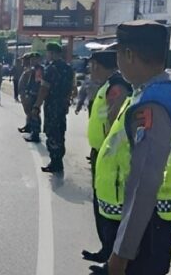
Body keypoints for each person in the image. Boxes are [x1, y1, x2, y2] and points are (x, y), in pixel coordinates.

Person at [91, 20, 171, 275]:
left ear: (129, 55)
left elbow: (145, 182)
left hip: (144, 232)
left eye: (119, 54)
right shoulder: (148, 93)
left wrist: (121, 255)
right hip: (143, 227)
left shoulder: (152, 104)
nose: (118, 62)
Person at [81, 47, 132, 265]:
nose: (90, 70)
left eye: (92, 66)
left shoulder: (116, 86)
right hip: (101, 154)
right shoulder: (107, 85)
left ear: (99, 66)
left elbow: (115, 119)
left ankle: (112, 260)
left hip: (111, 158)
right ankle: (105, 251)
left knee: (110, 209)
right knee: (100, 205)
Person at [31, 42, 74, 173]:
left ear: (52, 53)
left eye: (48, 53)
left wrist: (37, 106)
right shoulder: (68, 68)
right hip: (62, 104)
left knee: (52, 132)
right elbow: (71, 88)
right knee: (60, 132)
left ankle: (55, 162)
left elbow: (44, 89)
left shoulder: (51, 69)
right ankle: (58, 161)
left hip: (52, 105)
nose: (47, 55)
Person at [18, 53, 44, 142]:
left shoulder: (38, 70)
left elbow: (38, 84)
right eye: (31, 60)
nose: (32, 61)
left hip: (34, 95)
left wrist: (32, 94)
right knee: (30, 113)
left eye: (34, 59)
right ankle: (30, 129)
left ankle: (35, 134)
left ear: (38, 59)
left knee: (34, 113)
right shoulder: (33, 69)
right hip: (31, 94)